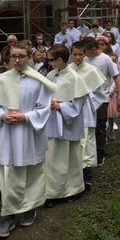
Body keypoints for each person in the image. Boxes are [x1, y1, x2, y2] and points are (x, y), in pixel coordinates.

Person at [0, 42, 56, 238]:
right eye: (14, 56)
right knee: (9, 173)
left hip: (29, 133)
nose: (18, 60)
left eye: (21, 56)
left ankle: (30, 208)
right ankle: (9, 214)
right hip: (8, 134)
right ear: (9, 58)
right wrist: (2, 116)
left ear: (30, 57)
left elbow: (44, 108)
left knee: (32, 172)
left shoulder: (39, 81)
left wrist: (25, 117)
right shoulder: (1, 80)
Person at [44, 45, 89, 205]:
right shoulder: (51, 75)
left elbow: (78, 104)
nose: (48, 63)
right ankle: (52, 192)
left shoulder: (74, 78)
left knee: (70, 159)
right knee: (53, 160)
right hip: (52, 123)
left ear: (59, 60)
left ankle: (72, 190)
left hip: (68, 124)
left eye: (50, 60)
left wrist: (61, 106)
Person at [69, 41, 106, 190]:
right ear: (71, 54)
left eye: (80, 54)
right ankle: (74, 174)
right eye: (75, 54)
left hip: (85, 112)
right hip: (70, 112)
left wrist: (87, 102)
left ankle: (87, 173)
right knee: (74, 144)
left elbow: (100, 94)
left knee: (87, 143)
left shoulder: (91, 71)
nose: (77, 57)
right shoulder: (67, 70)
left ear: (85, 54)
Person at [84, 39, 120, 166]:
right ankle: (89, 151)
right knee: (88, 126)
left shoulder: (105, 59)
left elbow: (116, 76)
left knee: (100, 125)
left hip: (103, 97)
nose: (83, 54)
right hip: (87, 98)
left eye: (85, 51)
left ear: (93, 49)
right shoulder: (85, 60)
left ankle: (100, 153)